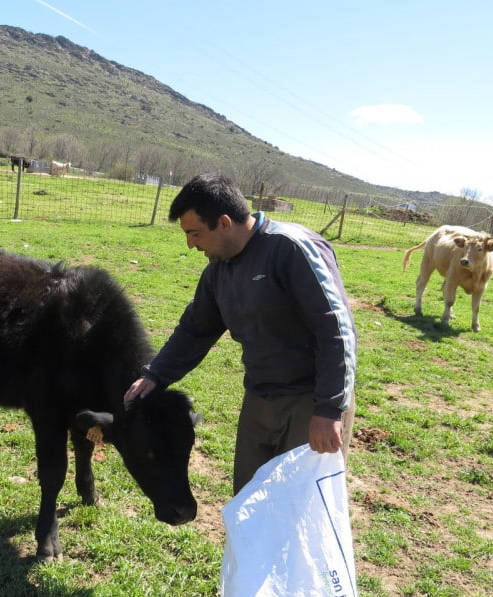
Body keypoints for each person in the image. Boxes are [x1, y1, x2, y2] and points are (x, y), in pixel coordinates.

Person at [124, 173, 357, 494]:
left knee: (302, 505)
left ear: (223, 223)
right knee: (250, 498)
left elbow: (335, 330)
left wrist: (329, 409)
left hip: (310, 401)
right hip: (259, 398)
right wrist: (156, 375)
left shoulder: (290, 250)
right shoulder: (218, 271)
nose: (190, 244)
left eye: (194, 233)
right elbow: (195, 328)